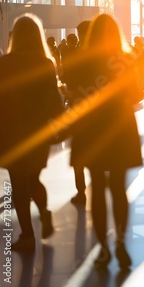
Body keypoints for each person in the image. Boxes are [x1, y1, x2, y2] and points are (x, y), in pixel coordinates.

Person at [68, 14, 142, 269]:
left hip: (91, 130)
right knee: (119, 189)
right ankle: (120, 244)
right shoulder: (127, 59)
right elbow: (136, 94)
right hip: (119, 128)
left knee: (97, 188)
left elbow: (72, 92)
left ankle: (102, 248)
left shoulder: (81, 61)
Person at [0, 13, 64, 252]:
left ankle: (27, 236)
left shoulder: (3, 64)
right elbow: (55, 103)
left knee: (18, 183)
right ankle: (44, 212)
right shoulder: (45, 64)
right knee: (34, 178)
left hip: (10, 133)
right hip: (38, 133)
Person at [60, 20, 91, 205]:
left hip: (78, 109)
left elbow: (67, 79)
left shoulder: (73, 54)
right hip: (99, 111)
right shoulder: (103, 55)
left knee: (79, 151)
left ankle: (81, 191)